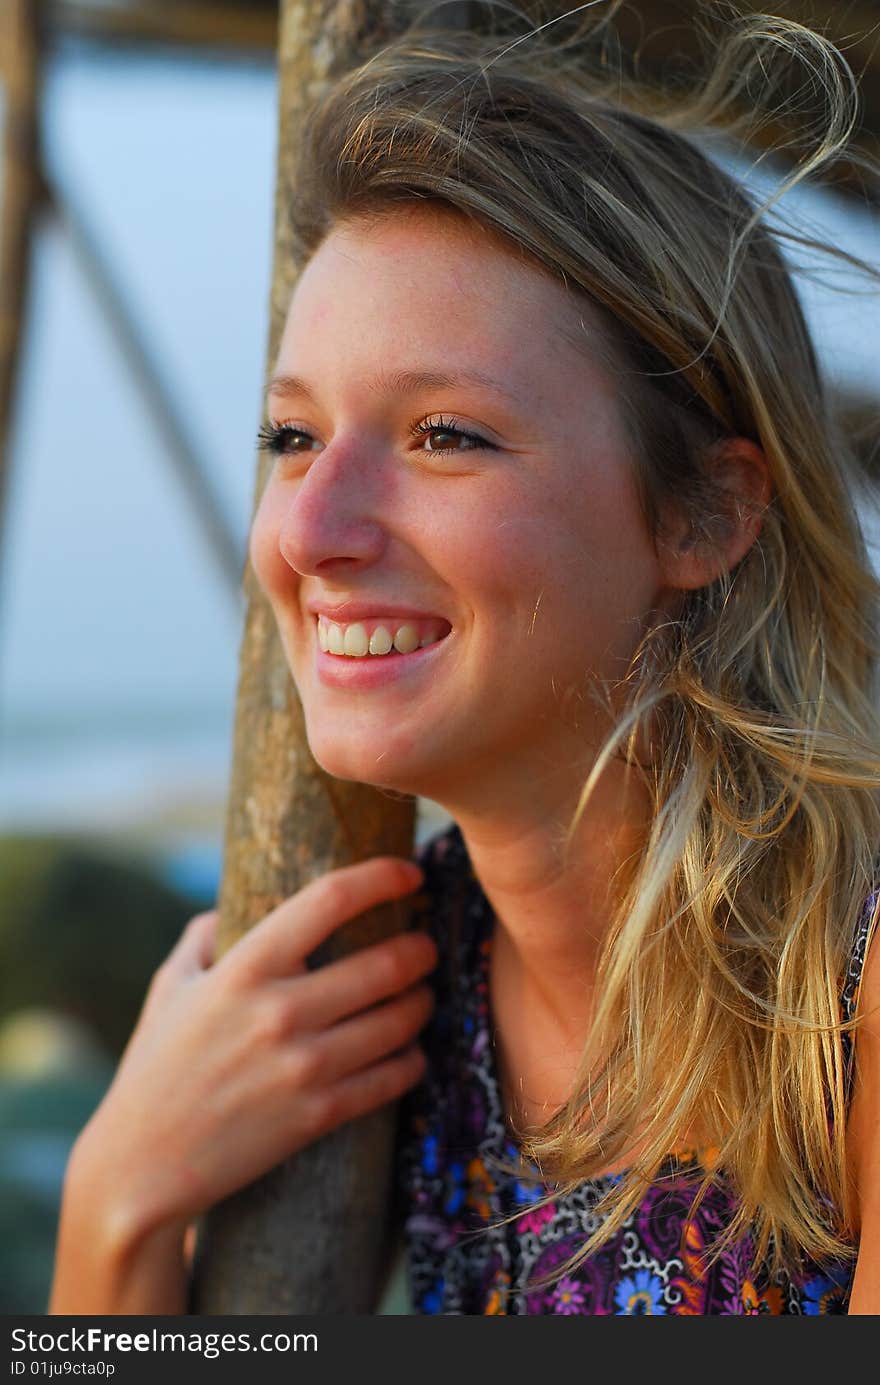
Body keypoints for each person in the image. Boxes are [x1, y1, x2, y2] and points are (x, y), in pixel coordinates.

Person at [49, 5, 880, 1315]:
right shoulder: (396, 991)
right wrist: (118, 1197)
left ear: (706, 513)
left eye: (445, 433)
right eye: (291, 437)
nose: (313, 530)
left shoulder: (852, 994)